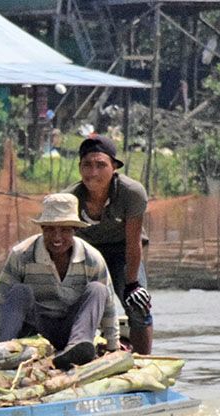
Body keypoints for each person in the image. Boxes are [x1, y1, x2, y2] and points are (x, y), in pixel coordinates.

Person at [0, 193, 119, 370]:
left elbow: (109, 306)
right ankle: (4, 352)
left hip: (72, 329)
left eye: (65, 230)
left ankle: (75, 349)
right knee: (19, 291)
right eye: (50, 229)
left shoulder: (92, 259)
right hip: (35, 330)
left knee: (98, 289)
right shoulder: (22, 255)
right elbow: (1, 300)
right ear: (42, 228)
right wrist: (0, 338)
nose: (57, 237)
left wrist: (113, 346)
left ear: (74, 230)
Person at [64, 134, 154, 354]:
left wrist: (132, 284)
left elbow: (133, 243)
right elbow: (65, 244)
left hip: (124, 252)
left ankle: (143, 362)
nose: (93, 172)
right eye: (87, 165)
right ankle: (75, 353)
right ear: (80, 168)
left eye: (100, 165)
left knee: (137, 304)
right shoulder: (70, 198)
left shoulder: (131, 193)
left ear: (114, 167)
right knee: (70, 305)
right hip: (88, 255)